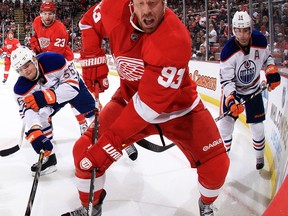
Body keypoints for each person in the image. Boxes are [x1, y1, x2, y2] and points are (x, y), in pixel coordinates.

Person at [62, 1, 230, 216]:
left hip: (179, 109)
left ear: (164, 3)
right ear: (131, 3)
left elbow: (148, 107)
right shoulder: (113, 6)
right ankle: (91, 206)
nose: (147, 11)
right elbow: (88, 23)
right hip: (128, 100)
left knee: (216, 166)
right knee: (82, 152)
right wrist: (93, 57)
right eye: (141, 3)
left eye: (153, 3)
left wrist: (110, 142)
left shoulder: (174, 39)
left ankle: (206, 204)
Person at [11, 46, 96, 176]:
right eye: (20, 70)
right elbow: (27, 111)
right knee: (40, 116)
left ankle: (106, 139)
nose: (25, 72)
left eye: (27, 66)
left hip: (71, 89)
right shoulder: (21, 88)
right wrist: (34, 129)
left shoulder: (54, 60)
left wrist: (47, 96)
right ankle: (49, 157)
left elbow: (73, 88)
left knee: (92, 113)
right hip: (50, 98)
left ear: (34, 59)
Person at [218, 11, 281, 170]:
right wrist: (231, 99)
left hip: (253, 89)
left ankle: (260, 159)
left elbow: (267, 58)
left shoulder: (259, 40)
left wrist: (271, 70)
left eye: (245, 29)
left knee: (257, 127)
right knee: (225, 125)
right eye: (239, 30)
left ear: (250, 28)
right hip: (236, 90)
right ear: (233, 30)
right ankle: (222, 160)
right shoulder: (228, 51)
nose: (243, 34)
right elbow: (226, 80)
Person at [29, 1, 89, 135]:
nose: (47, 16)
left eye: (50, 13)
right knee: (45, 99)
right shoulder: (37, 22)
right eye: (45, 13)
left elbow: (55, 55)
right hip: (45, 65)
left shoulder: (60, 29)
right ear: (40, 14)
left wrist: (38, 60)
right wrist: (34, 49)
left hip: (63, 65)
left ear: (55, 14)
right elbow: (35, 38)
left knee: (73, 95)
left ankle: (83, 123)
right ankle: (47, 126)